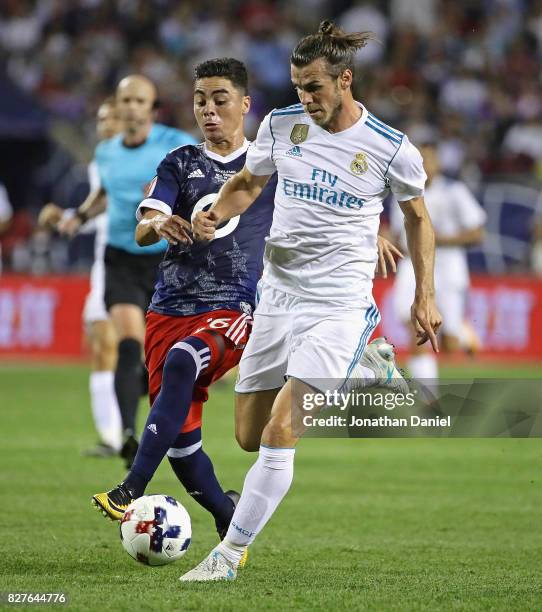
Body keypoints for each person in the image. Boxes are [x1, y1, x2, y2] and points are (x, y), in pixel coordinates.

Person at [91, 58, 401, 548]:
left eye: (220, 100)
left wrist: (371, 234)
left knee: (183, 361)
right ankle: (225, 513)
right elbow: (144, 222)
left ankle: (131, 487)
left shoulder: (276, 156)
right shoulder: (179, 162)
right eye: (200, 101)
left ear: (244, 105)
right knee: (181, 440)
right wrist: (158, 225)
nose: (209, 111)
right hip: (169, 307)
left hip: (236, 306)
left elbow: (332, 199)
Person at [181, 21, 442, 582]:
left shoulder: (391, 149)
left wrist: (425, 295)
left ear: (345, 80)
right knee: (248, 436)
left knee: (280, 433)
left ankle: (228, 556)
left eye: (316, 87)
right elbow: (250, 183)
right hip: (276, 297)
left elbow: (419, 220)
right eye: (299, 86)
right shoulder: (281, 125)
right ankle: (370, 371)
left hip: (339, 305)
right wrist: (217, 214)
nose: (306, 97)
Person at [60, 75, 196, 467]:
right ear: (117, 107)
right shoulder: (106, 152)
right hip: (120, 257)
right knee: (129, 341)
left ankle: (152, 417)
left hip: (165, 259)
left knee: (160, 357)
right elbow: (105, 193)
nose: (132, 107)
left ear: (152, 108)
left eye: (140, 101)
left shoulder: (174, 144)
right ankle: (128, 435)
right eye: (126, 101)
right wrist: (80, 216)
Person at [38, 97, 123, 456]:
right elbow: (100, 213)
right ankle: (112, 437)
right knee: (102, 348)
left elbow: (127, 215)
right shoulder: (100, 163)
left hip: (138, 266)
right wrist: (67, 218)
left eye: (112, 119)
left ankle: (141, 432)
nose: (104, 126)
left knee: (135, 354)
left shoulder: (146, 162)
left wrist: (72, 217)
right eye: (101, 119)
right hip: (105, 266)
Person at [390, 140, 486, 379]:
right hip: (411, 266)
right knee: (415, 326)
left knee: (450, 344)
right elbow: (397, 234)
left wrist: (434, 240)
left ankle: (462, 334)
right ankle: (428, 400)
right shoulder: (402, 191)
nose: (424, 165)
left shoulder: (455, 192)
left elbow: (477, 233)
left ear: (439, 163)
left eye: (429, 159)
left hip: (448, 268)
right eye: (419, 159)